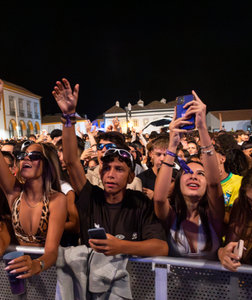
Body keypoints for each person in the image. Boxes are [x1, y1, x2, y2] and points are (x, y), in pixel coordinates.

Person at [53, 77, 168, 257]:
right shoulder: (91, 198)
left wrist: (121, 246)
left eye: (119, 169)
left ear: (131, 177)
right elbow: (71, 162)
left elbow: (161, 247)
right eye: (106, 169)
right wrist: (69, 117)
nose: (110, 175)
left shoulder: (140, 203)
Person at [0, 64, 66, 278]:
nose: (25, 158)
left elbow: (51, 251)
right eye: (22, 155)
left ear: (47, 165)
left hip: (47, 271)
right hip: (18, 269)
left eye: (34, 156)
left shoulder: (57, 200)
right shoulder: (13, 193)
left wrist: (36, 265)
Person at [153, 91, 224, 259]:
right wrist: (172, 145)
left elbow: (215, 184)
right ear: (178, 182)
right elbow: (159, 199)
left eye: (201, 174)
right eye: (187, 172)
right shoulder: (171, 217)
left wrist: (202, 128)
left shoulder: (213, 216)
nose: (193, 176)